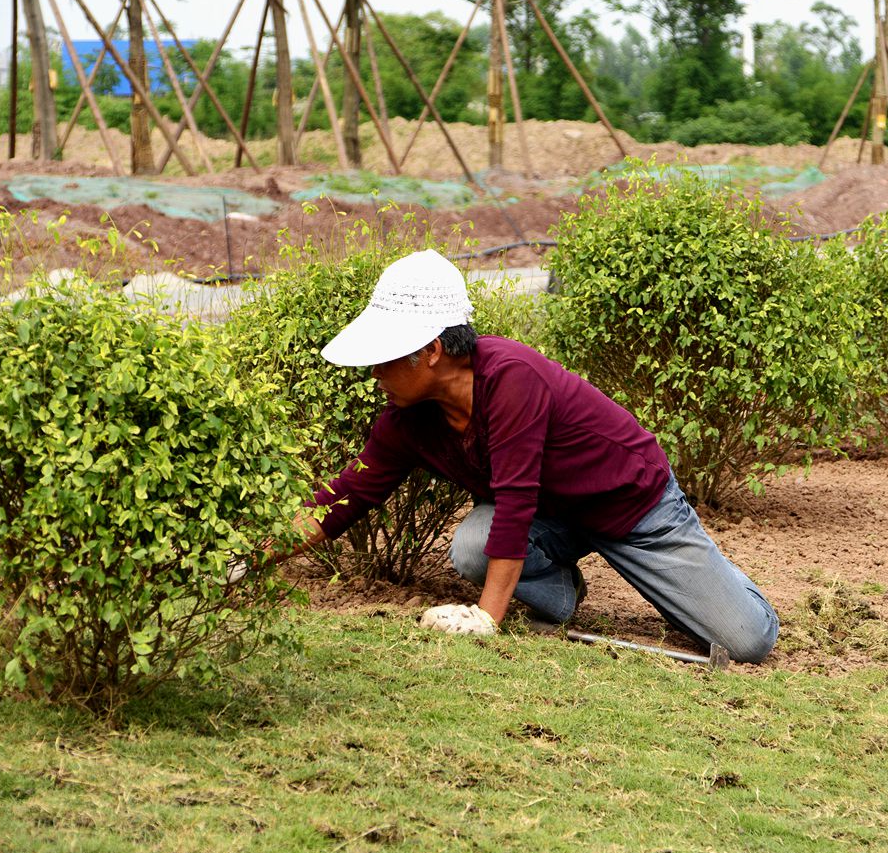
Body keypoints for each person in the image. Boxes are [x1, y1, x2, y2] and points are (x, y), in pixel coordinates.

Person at [285, 249, 780, 663]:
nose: (375, 372)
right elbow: (346, 495)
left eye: (384, 357)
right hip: (552, 518)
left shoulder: (511, 376)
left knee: (748, 641)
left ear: (431, 350)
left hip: (633, 508)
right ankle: (562, 596)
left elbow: (516, 497)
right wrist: (248, 559)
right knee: (473, 546)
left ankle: (717, 579)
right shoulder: (407, 418)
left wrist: (486, 619)